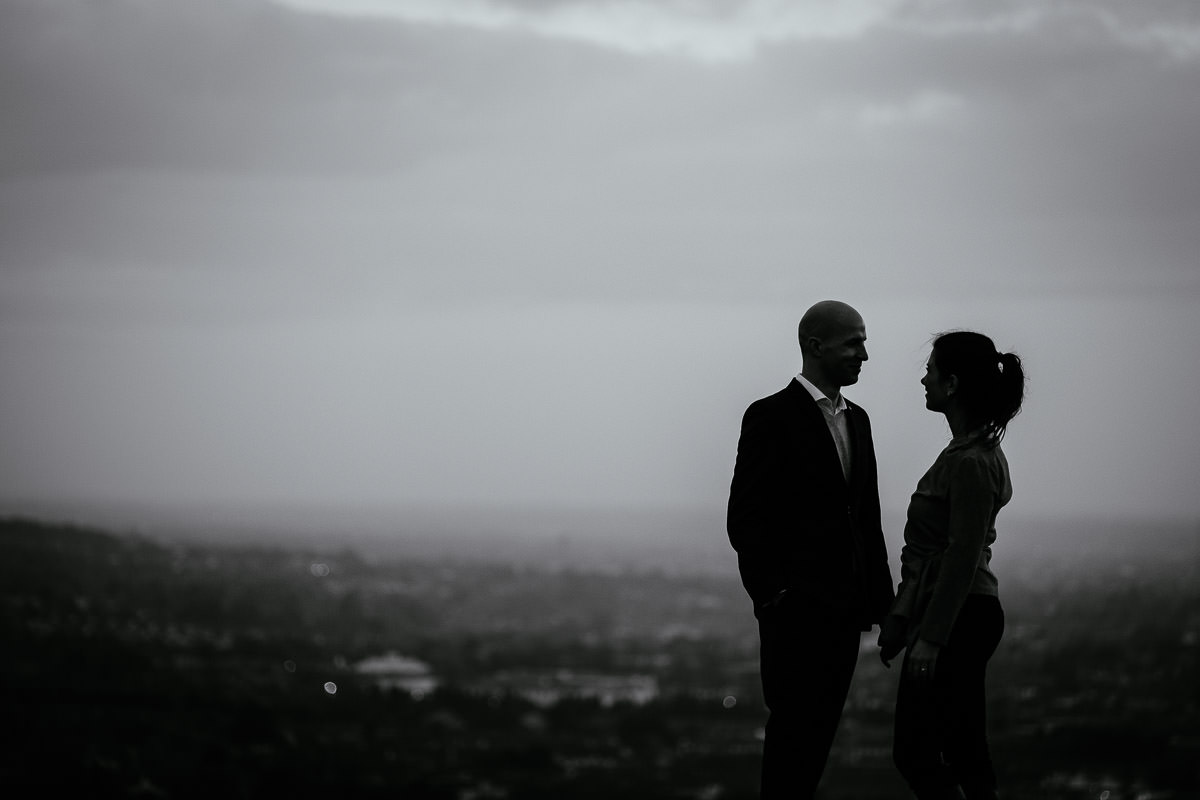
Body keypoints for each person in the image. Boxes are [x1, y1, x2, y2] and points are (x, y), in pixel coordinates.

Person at [727, 300, 896, 799]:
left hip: (844, 614)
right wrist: (774, 598)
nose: (864, 354)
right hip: (795, 614)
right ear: (814, 345)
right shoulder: (770, 416)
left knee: (817, 740)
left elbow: (867, 519)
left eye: (863, 342)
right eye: (854, 342)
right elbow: (745, 520)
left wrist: (882, 608)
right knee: (791, 741)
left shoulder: (858, 421)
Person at [877, 331, 1026, 800]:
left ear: (953, 383)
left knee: (929, 752)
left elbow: (960, 555)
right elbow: (932, 552)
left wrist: (931, 639)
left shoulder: (972, 462)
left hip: (960, 616)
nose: (924, 379)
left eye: (932, 370)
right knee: (954, 749)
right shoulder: (967, 453)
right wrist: (904, 620)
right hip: (956, 614)